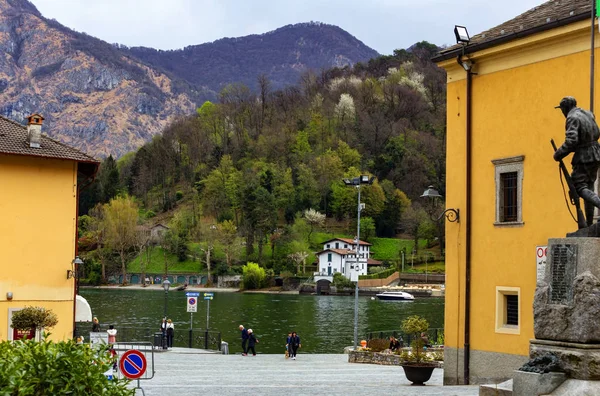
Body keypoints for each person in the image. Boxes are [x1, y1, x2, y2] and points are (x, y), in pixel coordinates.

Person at [553, 96, 600, 226]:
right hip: (596, 153)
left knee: (579, 187)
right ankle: (589, 225)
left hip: (584, 156)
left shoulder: (572, 117)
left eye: (562, 109)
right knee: (589, 186)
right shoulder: (588, 114)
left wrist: (558, 154)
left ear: (565, 108)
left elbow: (571, 141)